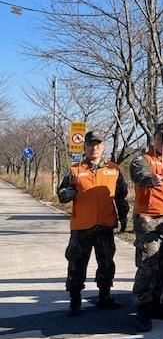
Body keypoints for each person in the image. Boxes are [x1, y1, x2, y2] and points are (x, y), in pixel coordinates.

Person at [57, 130, 129, 317]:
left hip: (105, 225)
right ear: (85, 147)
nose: (94, 148)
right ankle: (74, 300)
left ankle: (104, 296)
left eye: (97, 144)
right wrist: (65, 194)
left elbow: (121, 197)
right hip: (81, 227)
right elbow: (62, 193)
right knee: (76, 264)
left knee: (106, 263)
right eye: (90, 145)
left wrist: (123, 218)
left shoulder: (114, 169)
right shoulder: (74, 170)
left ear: (103, 147)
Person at [129, 123, 163, 332]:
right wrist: (151, 179)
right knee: (148, 265)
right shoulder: (143, 159)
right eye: (161, 137)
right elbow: (139, 174)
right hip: (148, 220)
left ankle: (159, 303)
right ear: (154, 139)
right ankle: (142, 308)